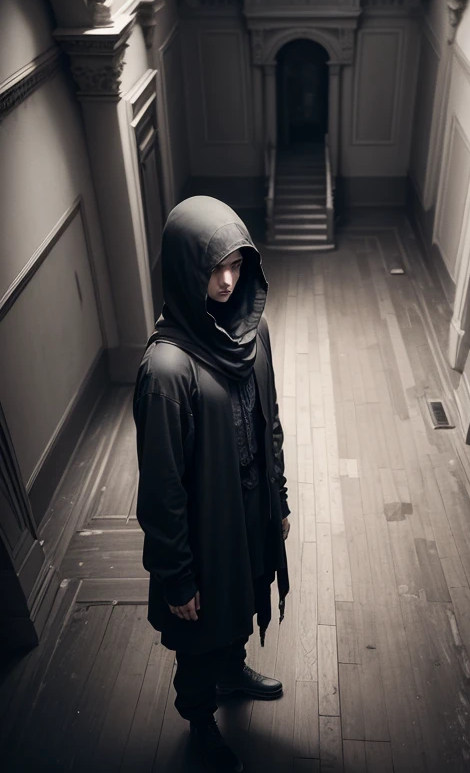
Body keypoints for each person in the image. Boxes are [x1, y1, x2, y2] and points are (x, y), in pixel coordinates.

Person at [133, 196, 290, 773]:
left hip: (250, 506)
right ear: (183, 269)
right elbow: (163, 489)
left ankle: (233, 668)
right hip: (204, 528)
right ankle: (201, 720)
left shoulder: (255, 330)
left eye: (236, 264)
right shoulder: (167, 371)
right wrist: (177, 577)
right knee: (199, 633)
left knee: (246, 596)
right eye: (211, 268)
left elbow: (269, 418)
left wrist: (280, 498)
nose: (226, 281)